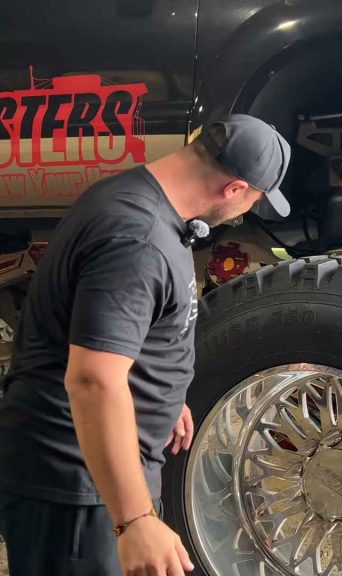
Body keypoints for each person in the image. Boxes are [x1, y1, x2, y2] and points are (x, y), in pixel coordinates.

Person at [0, 115, 291, 576]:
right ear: (234, 189)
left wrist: (161, 393)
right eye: (254, 201)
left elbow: (103, 332)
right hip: (77, 484)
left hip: (95, 479)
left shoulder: (134, 201)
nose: (245, 213)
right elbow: (93, 379)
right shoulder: (138, 239)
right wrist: (134, 520)